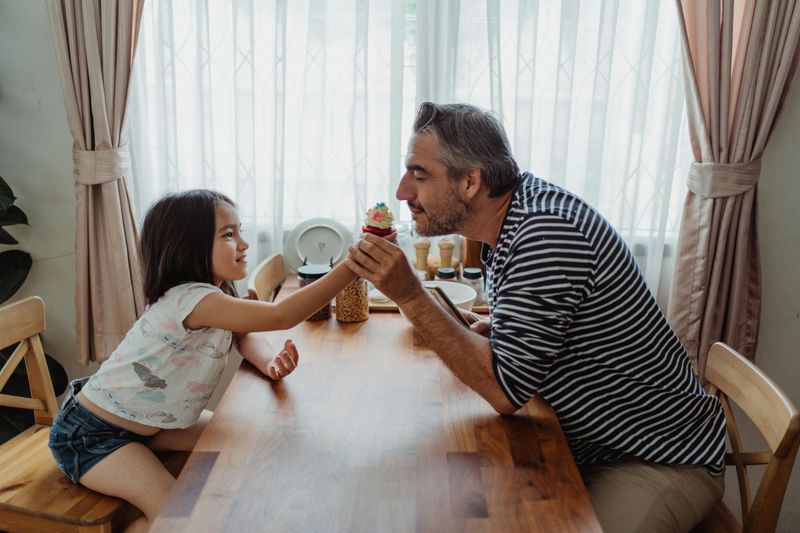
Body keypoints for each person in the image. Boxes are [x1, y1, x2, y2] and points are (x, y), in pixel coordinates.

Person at [346, 102, 727, 532]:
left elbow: (506, 392)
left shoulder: (544, 235)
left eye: (419, 174)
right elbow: (534, 350)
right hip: (585, 443)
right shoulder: (511, 221)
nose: (402, 192)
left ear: (471, 180)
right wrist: (508, 336)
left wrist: (410, 295)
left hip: (655, 456)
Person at [48, 190, 362, 533]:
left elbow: (243, 335)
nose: (243, 243)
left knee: (248, 444)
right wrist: (352, 267)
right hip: (92, 435)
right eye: (229, 234)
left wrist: (270, 362)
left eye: (239, 230)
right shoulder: (192, 299)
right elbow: (282, 314)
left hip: (152, 425)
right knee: (176, 514)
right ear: (187, 247)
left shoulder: (219, 293)